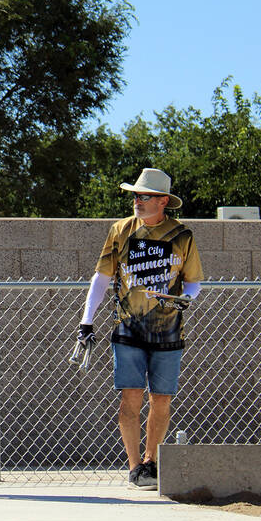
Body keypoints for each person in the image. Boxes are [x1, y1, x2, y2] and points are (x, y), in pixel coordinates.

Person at [77, 168, 203, 490]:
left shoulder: (182, 235)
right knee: (130, 398)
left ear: (163, 201)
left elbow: (193, 283)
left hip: (168, 331)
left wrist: (184, 300)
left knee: (161, 399)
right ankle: (134, 467)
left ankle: (151, 462)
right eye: (135, 195)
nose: (138, 201)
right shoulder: (121, 230)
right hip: (128, 328)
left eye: (145, 196)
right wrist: (86, 320)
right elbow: (102, 277)